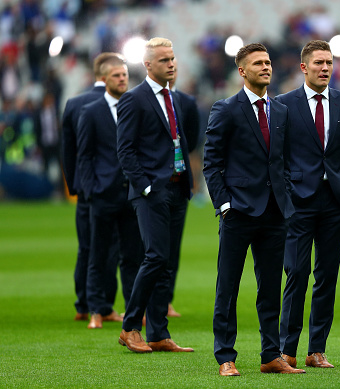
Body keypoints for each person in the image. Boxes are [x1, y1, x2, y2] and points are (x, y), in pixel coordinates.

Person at [203, 43, 304, 376]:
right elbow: (211, 162)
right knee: (228, 287)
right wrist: (225, 204)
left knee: (270, 288)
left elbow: (285, 160)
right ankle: (225, 356)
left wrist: (286, 196)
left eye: (268, 62)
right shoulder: (226, 109)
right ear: (242, 71)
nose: (266, 67)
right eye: (258, 63)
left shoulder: (281, 110)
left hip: (275, 214)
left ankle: (270, 355)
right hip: (238, 214)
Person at [275, 40, 340, 369]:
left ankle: (317, 350)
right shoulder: (283, 104)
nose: (325, 68)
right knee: (296, 272)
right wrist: (286, 194)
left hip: (336, 202)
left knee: (327, 276)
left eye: (329, 63)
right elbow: (277, 157)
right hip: (299, 202)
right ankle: (287, 349)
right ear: (304, 67)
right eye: (319, 63)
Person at [116, 37, 194, 353]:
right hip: (150, 191)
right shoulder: (134, 99)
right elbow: (125, 149)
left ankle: (159, 332)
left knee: (166, 263)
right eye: (164, 60)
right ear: (148, 65)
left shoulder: (173, 98)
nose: (171, 64)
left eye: (173, 58)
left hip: (176, 187)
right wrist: (146, 186)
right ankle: (130, 326)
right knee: (156, 256)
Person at [77, 54, 143, 329]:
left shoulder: (136, 107)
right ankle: (96, 309)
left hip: (131, 194)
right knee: (98, 253)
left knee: (132, 256)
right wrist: (91, 190)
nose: (123, 79)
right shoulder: (91, 111)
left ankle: (132, 311)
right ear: (104, 80)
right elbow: (85, 155)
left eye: (125, 75)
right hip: (103, 194)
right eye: (116, 75)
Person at [61, 52, 121, 322]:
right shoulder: (123, 102)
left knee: (86, 246)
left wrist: (76, 188)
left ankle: (83, 303)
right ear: (107, 74)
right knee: (111, 248)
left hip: (86, 189)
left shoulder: (74, 103)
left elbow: (69, 152)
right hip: (114, 188)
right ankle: (105, 305)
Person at [165, 62, 201, 318]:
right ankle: (142, 300)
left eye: (174, 65)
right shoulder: (140, 100)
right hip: (151, 184)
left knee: (172, 246)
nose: (171, 69)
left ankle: (166, 300)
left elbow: (191, 140)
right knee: (147, 248)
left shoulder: (186, 103)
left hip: (178, 181)